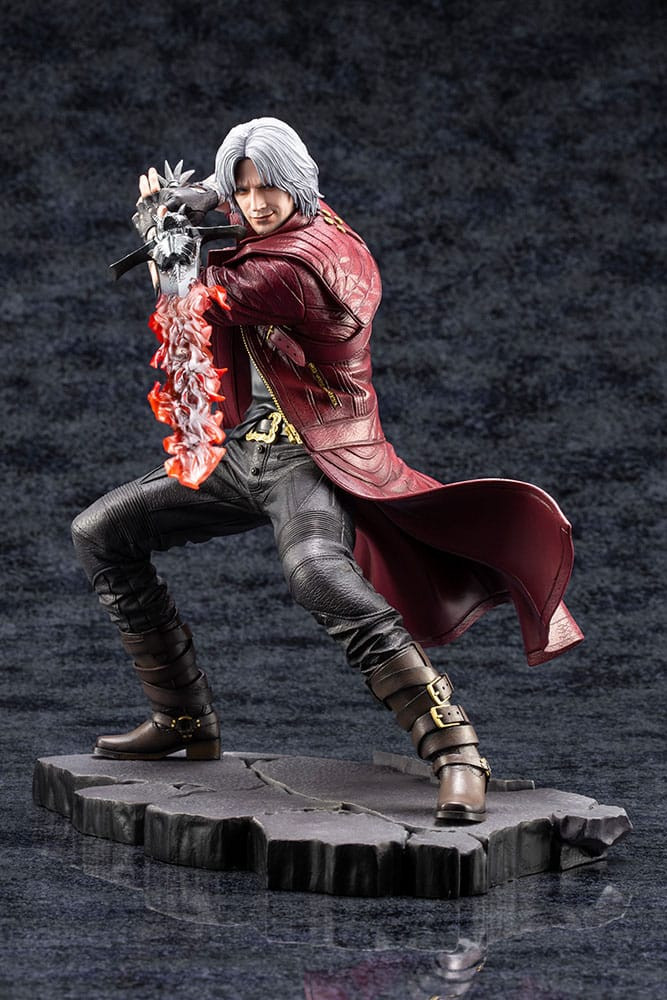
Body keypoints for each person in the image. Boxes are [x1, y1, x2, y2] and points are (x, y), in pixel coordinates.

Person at [71, 117, 583, 824]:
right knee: (101, 531)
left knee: (315, 572)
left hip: (312, 459)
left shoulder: (303, 266)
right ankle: (183, 720)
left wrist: (166, 235)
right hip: (245, 450)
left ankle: (456, 750)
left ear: (299, 185)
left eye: (269, 187)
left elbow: (196, 298)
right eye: (244, 189)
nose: (255, 204)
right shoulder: (283, 221)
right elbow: (235, 214)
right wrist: (204, 197)